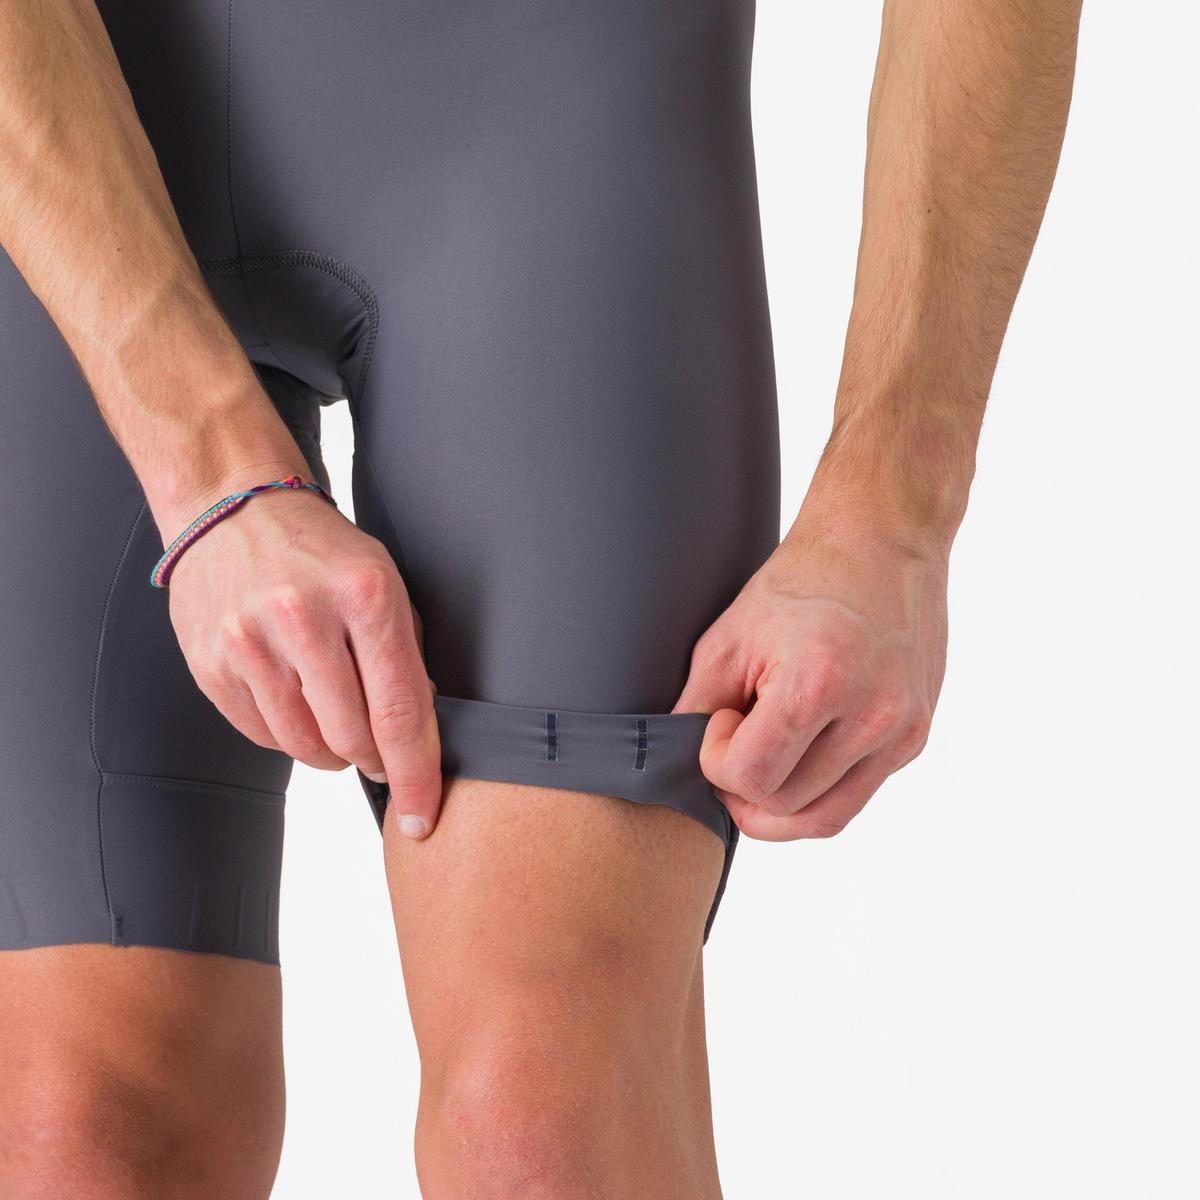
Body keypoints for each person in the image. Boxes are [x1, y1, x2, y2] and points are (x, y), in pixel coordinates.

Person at [0, 1, 1082, 1196]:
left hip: (544, 104)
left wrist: (898, 505)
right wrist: (203, 463)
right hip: (46, 126)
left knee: (540, 1135)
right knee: (70, 1141)